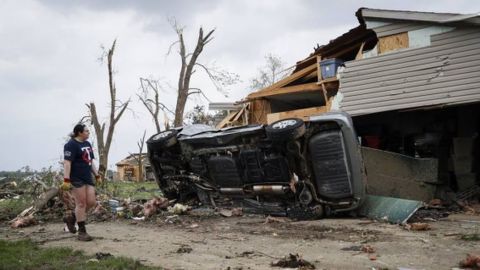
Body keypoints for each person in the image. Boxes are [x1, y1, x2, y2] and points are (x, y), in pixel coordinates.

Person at [62, 123, 101, 241]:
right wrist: (66, 180)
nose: (88, 133)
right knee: (81, 204)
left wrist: (97, 175)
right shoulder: (71, 145)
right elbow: (67, 163)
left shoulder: (87, 144)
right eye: (86, 131)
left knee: (91, 202)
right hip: (76, 178)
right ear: (79, 132)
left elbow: (90, 161)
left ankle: (72, 218)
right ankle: (82, 232)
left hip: (87, 177)